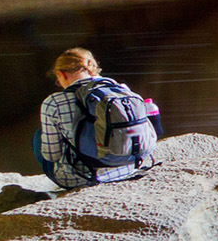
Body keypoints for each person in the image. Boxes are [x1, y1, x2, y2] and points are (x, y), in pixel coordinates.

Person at [33, 48, 145, 188]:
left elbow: (52, 155)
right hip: (129, 167)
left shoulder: (54, 102)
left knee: (39, 136)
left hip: (85, 178)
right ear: (93, 68)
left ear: (61, 74)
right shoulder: (121, 89)